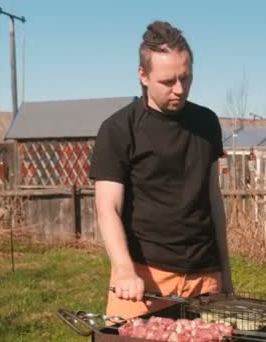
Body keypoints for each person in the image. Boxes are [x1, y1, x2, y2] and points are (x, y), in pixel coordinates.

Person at [89, 20, 233, 319]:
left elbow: (212, 199)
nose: (179, 90)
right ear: (143, 75)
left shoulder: (206, 123)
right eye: (168, 82)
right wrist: (124, 271)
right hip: (144, 279)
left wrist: (226, 274)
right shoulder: (118, 129)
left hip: (205, 276)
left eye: (186, 78)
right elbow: (107, 208)